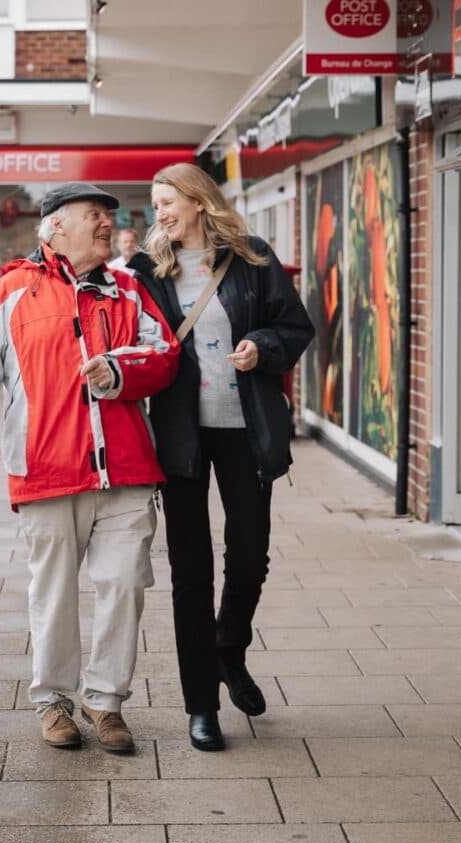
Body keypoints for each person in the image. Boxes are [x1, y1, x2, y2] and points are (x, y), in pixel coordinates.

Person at [0, 182, 179, 753]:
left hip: (125, 470)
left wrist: (120, 371)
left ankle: (105, 703)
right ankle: (52, 701)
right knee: (53, 593)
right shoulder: (12, 292)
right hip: (46, 470)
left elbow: (165, 354)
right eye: (94, 215)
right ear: (54, 227)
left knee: (123, 585)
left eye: (109, 214)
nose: (107, 223)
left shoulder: (128, 290)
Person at [127, 163, 314, 752]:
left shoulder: (253, 258)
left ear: (199, 201)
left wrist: (261, 346)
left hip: (244, 429)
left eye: (167, 201)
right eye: (155, 203)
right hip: (181, 434)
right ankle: (201, 705)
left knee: (250, 554)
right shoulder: (145, 272)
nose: (159, 212)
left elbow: (296, 326)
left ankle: (229, 647)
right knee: (190, 570)